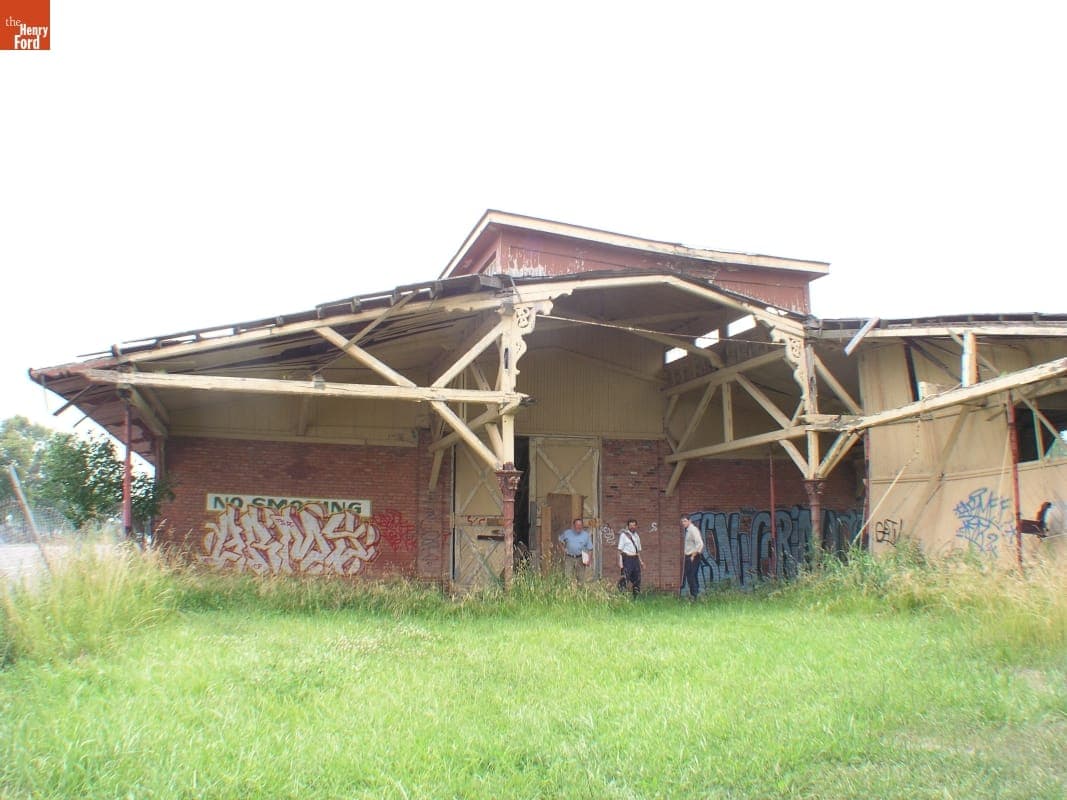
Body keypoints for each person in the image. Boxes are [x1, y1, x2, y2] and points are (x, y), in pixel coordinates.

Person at [558, 517, 593, 584]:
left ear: (582, 526)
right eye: (577, 525)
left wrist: (589, 560)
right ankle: (567, 590)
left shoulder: (586, 535)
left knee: (581, 578)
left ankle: (580, 590)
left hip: (580, 558)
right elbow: (560, 540)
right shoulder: (567, 533)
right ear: (573, 526)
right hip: (569, 557)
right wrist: (563, 549)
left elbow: (590, 549)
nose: (579, 527)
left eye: (580, 525)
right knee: (567, 577)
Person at [616, 518, 644, 596]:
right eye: (630, 525)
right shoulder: (623, 535)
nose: (632, 527)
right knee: (625, 578)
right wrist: (620, 563)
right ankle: (621, 596)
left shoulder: (637, 536)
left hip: (635, 559)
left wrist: (641, 562)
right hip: (627, 559)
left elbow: (637, 551)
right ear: (628, 526)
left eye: (634, 525)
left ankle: (636, 597)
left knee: (637, 579)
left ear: (636, 526)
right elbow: (619, 550)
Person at [680, 515, 704, 600]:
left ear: (690, 521)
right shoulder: (688, 530)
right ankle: (694, 595)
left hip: (693, 556)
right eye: (682, 521)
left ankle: (695, 596)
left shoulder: (693, 530)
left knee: (692, 576)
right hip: (688, 556)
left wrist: (693, 555)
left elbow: (700, 543)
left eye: (685, 521)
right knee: (689, 576)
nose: (683, 523)